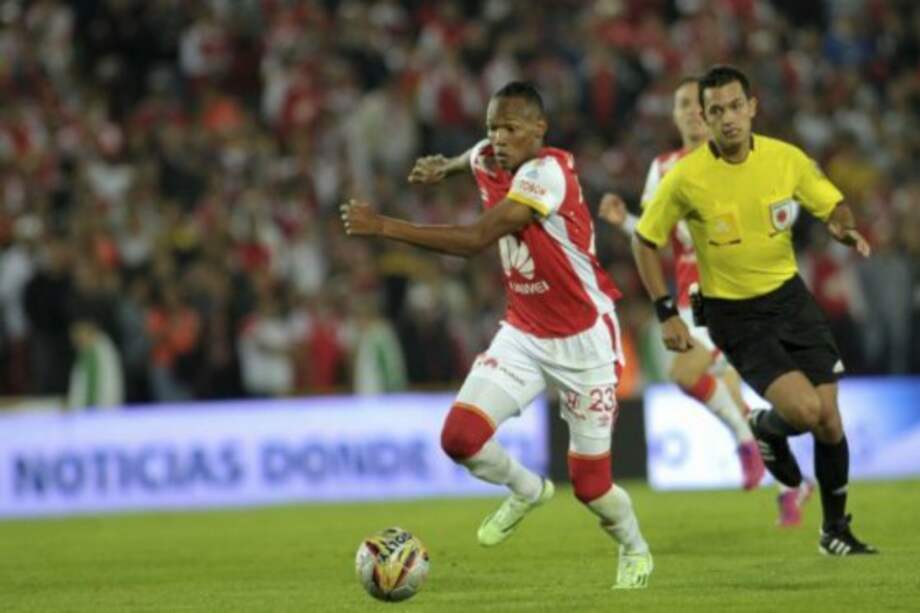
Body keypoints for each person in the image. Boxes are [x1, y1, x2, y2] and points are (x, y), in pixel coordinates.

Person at [341, 82, 653, 589]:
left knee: (591, 486)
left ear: (539, 130)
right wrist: (446, 164)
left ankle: (635, 547)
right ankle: (526, 488)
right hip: (524, 333)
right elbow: (477, 154)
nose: (499, 139)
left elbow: (475, 240)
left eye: (511, 128)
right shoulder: (489, 154)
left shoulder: (546, 173)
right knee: (459, 439)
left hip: (584, 340)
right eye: (492, 127)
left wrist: (384, 228)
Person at [632, 65, 877, 556]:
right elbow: (644, 241)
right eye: (715, 110)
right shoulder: (684, 178)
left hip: (790, 299)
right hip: (734, 313)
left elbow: (832, 203)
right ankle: (764, 428)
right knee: (806, 411)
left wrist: (842, 226)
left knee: (830, 420)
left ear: (752, 107)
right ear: (705, 116)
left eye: (734, 107)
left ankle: (835, 531)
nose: (727, 119)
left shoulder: (786, 160)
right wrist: (666, 312)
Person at [600, 77, 815, 525]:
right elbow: (652, 237)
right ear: (676, 114)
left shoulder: (738, 159)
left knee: (685, 371)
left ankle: (745, 445)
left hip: (733, 291)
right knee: (732, 394)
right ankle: (793, 483)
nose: (693, 112)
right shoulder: (663, 168)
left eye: (700, 105)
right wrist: (624, 224)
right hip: (688, 297)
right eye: (683, 104)